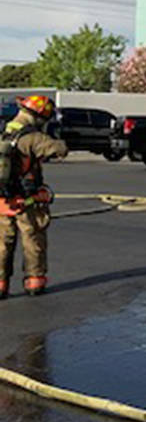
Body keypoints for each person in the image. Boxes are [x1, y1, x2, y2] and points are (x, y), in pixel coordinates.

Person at [1, 96, 68, 298]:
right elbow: (60, 150)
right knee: (33, 241)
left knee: (2, 243)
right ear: (40, 117)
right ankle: (34, 282)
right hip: (27, 200)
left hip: (3, 201)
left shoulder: (5, 131)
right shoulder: (32, 137)